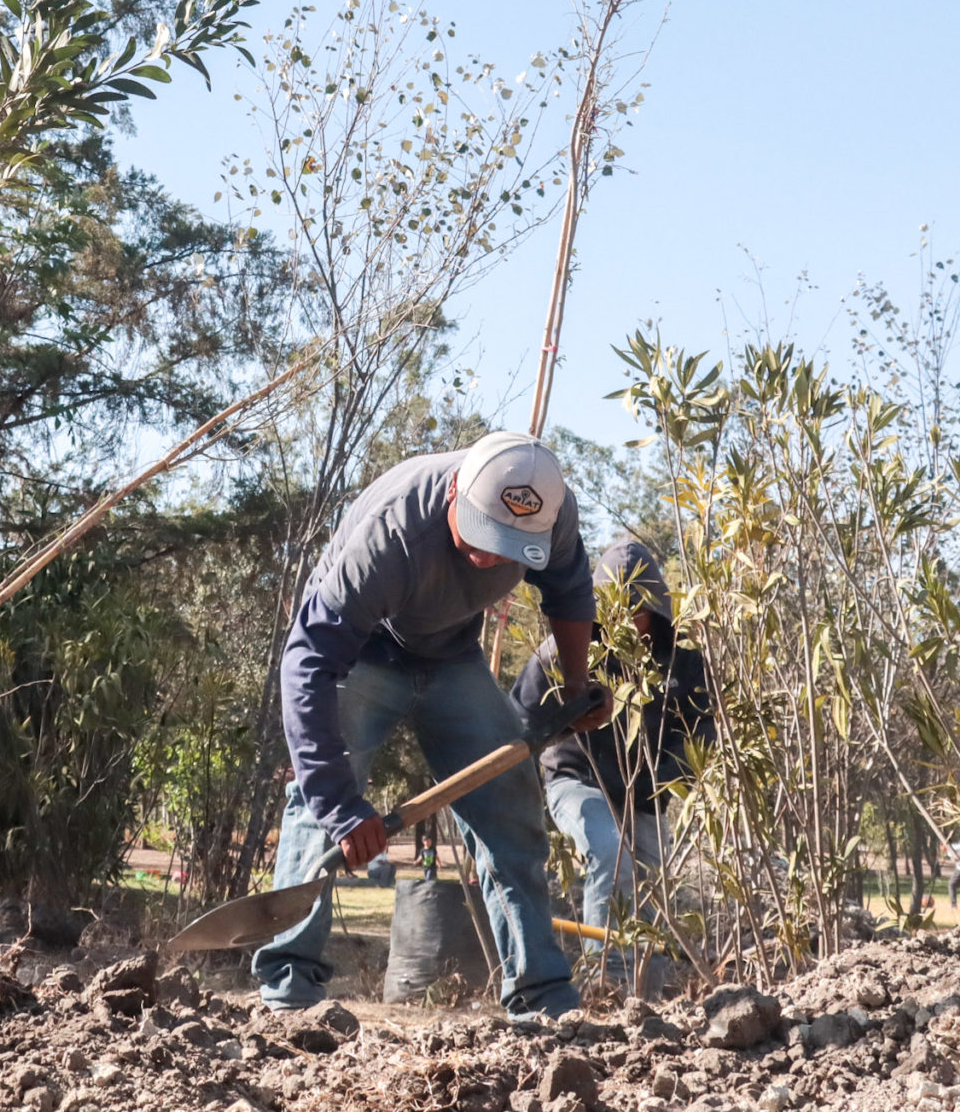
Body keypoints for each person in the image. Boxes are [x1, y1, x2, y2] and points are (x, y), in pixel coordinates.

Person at [255, 430, 605, 1023]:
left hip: (450, 657)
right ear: (453, 494)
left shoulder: (552, 509)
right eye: (482, 534)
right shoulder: (389, 535)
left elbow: (569, 591)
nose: (489, 559)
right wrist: (343, 807)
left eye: (508, 546)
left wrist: (575, 688)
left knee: (510, 805)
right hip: (362, 652)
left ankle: (542, 998)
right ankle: (289, 994)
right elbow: (309, 662)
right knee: (319, 807)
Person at [512, 537, 715, 971]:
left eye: (640, 610)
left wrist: (664, 777)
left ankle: (649, 992)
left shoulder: (681, 661)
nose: (631, 622)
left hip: (647, 791)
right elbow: (519, 722)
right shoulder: (564, 652)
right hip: (577, 780)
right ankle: (608, 981)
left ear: (656, 608)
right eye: (620, 610)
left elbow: (703, 729)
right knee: (609, 852)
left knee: (655, 881)